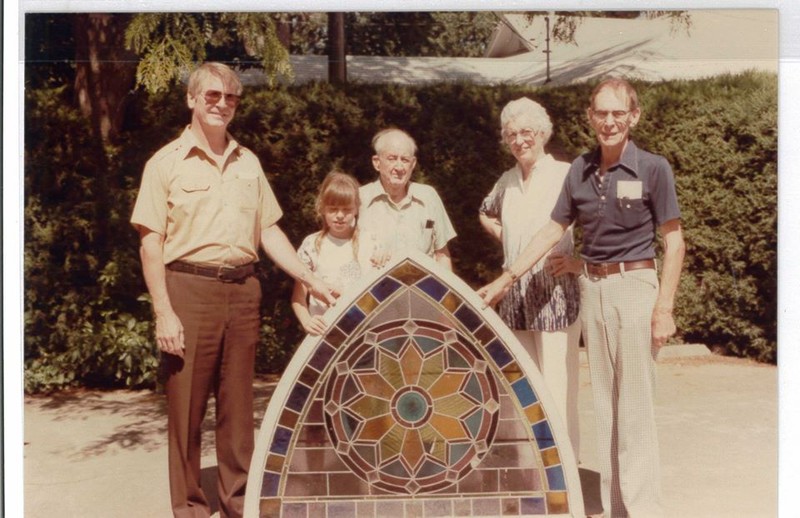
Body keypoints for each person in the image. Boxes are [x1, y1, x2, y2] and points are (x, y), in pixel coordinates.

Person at [130, 62, 336, 518]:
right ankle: (189, 507)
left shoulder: (249, 162)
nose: (222, 104)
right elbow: (150, 244)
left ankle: (238, 500)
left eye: (231, 98)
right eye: (212, 96)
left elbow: (270, 230)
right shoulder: (164, 164)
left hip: (243, 291)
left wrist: (311, 278)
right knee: (185, 408)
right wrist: (163, 312)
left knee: (239, 408)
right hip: (188, 289)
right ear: (191, 100)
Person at [479, 78, 685, 518]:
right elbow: (554, 229)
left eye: (617, 113)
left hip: (635, 287)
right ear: (590, 117)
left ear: (634, 116)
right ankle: (615, 508)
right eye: (600, 113)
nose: (608, 122)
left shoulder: (652, 168)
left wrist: (664, 308)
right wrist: (507, 278)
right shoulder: (580, 169)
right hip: (592, 289)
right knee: (605, 407)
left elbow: (675, 241)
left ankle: (643, 508)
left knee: (635, 405)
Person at [479, 97, 582, 462]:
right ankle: (533, 471)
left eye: (526, 132)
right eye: (511, 134)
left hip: (555, 292)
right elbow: (484, 213)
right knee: (524, 384)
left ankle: (566, 470)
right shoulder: (507, 181)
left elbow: (598, 225)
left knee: (557, 386)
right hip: (515, 295)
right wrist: (509, 239)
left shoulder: (566, 173)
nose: (519, 140)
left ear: (542, 133)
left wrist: (578, 262)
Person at [359, 128, 457, 270]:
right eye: (392, 159)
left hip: (422, 288)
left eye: (405, 160)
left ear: (413, 164)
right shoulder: (360, 199)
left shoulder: (429, 197)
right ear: (377, 162)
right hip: (375, 289)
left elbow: (442, 255)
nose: (399, 167)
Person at [292, 171, 370, 335]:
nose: (340, 215)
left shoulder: (370, 243)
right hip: (324, 337)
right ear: (322, 208)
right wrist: (307, 321)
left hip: (363, 335)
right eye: (333, 209)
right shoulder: (311, 245)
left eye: (347, 209)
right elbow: (298, 298)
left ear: (356, 209)